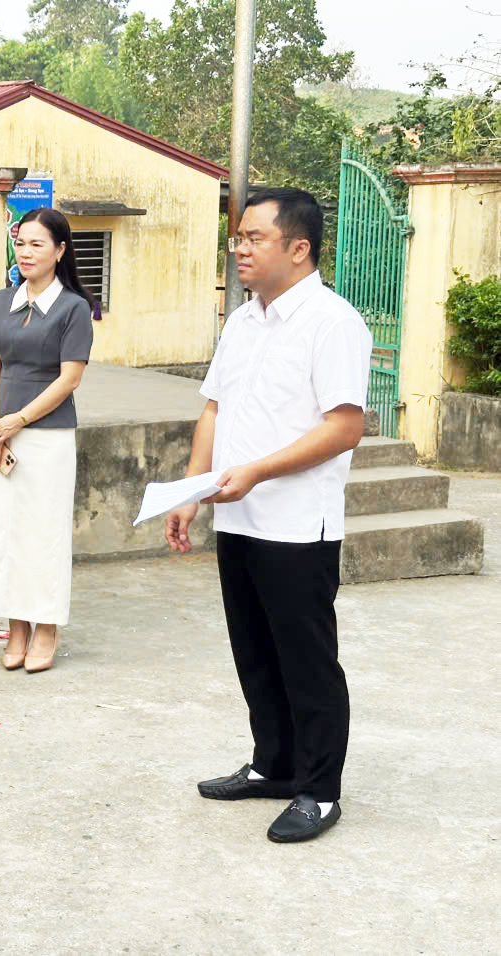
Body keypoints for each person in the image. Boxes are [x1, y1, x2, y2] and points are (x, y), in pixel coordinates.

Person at [165, 187, 372, 843]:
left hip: (295, 524)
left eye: (254, 237)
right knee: (256, 655)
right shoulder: (244, 320)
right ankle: (273, 766)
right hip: (239, 518)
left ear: (299, 247)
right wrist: (195, 489)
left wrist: (255, 471)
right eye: (238, 237)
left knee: (306, 663)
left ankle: (318, 790)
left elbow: (343, 428)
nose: (240, 248)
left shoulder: (332, 323)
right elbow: (215, 409)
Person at [0, 207, 95, 673]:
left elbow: (69, 379)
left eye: (37, 244)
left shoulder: (73, 309)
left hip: (47, 437)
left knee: (43, 533)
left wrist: (17, 421)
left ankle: (46, 626)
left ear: (60, 250)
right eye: (20, 243)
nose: (25, 252)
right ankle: (17, 627)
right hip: (1, 438)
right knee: (6, 533)